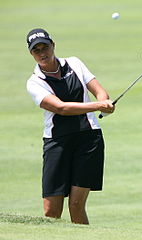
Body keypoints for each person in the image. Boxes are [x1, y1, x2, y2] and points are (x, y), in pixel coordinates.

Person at [26, 28, 115, 224]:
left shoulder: (74, 63)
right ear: (31, 53)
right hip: (57, 142)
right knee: (51, 211)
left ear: (53, 45)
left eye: (45, 47)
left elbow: (100, 92)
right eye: (36, 50)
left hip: (88, 138)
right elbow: (61, 108)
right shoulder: (34, 82)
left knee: (76, 205)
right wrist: (98, 105)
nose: (42, 53)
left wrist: (104, 102)